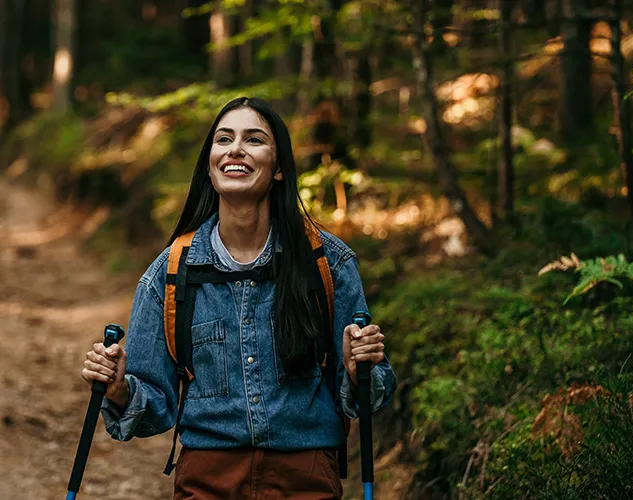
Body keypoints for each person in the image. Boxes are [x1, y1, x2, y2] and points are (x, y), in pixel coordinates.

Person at [80, 96, 396, 499]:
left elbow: (368, 396)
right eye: (223, 139)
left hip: (305, 477)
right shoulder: (172, 273)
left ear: (279, 167)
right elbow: (153, 408)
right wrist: (118, 388)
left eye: (255, 140)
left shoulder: (327, 263)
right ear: (210, 165)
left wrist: (359, 368)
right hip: (207, 480)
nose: (235, 149)